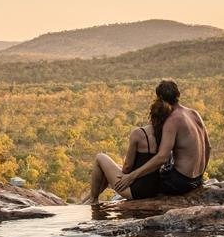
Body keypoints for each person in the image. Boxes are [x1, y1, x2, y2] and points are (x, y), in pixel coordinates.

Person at [78, 80, 210, 204]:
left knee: (112, 166)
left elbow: (162, 157)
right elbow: (208, 147)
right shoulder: (194, 113)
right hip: (197, 180)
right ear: (178, 94)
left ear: (159, 99)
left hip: (179, 183)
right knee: (121, 171)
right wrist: (199, 174)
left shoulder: (172, 120)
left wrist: (132, 176)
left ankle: (92, 202)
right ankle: (88, 200)